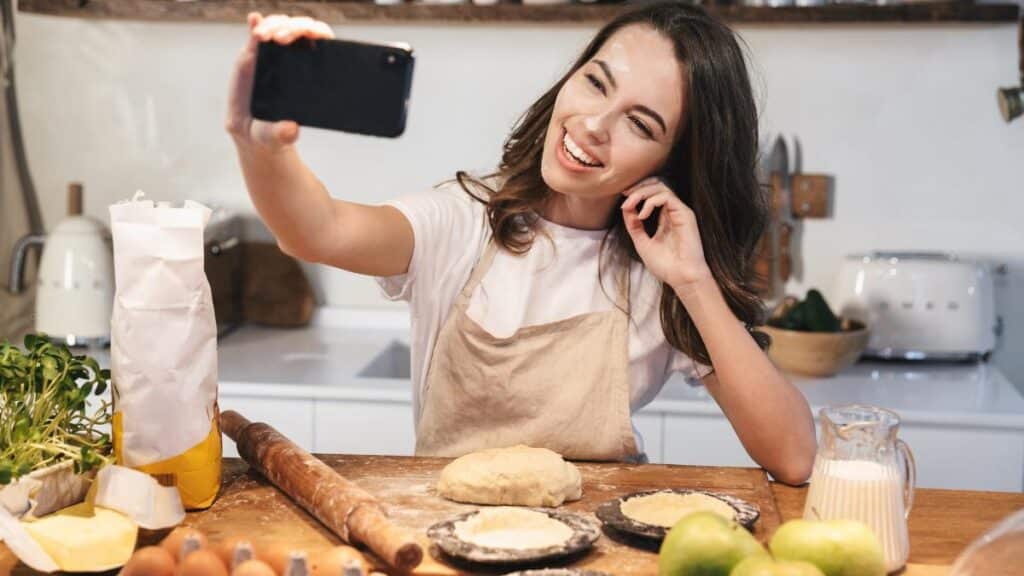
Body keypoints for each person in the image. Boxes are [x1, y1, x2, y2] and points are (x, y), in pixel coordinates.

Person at [225, 1, 816, 483]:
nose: (592, 125)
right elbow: (317, 230)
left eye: (640, 124)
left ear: (676, 160)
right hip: (445, 542)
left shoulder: (661, 275)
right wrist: (260, 144)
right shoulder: (463, 222)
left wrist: (692, 280)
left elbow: (793, 456)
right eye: (595, 83)